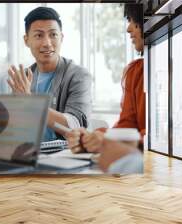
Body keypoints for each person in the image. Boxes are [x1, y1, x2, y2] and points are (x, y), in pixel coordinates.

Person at [0, 7, 92, 142]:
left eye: (53, 35)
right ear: (26, 40)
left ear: (61, 37)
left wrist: (31, 102)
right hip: (27, 153)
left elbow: (74, 126)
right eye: (39, 35)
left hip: (63, 157)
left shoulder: (78, 75)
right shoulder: (24, 77)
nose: (47, 43)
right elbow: (12, 126)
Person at [65, 3, 144, 173]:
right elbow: (126, 126)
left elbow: (169, 141)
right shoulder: (135, 71)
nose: (128, 29)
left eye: (132, 20)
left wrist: (107, 141)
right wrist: (89, 138)